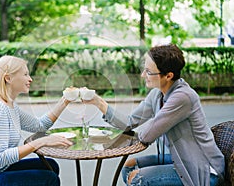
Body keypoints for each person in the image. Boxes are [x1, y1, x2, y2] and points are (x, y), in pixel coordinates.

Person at [83, 44, 225, 186]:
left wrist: (141, 131)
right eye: (144, 69)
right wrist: (98, 102)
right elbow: (129, 122)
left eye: (149, 72)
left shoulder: (183, 97)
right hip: (179, 159)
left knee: (138, 178)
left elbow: (147, 136)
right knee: (129, 167)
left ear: (168, 76)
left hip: (202, 169)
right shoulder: (157, 94)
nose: (143, 75)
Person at [0, 55, 73, 186]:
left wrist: (65, 101)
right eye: (25, 74)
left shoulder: (10, 106)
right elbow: (1, 158)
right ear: (8, 78)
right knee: (49, 178)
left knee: (50, 165)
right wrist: (41, 142)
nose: (30, 79)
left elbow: (40, 125)